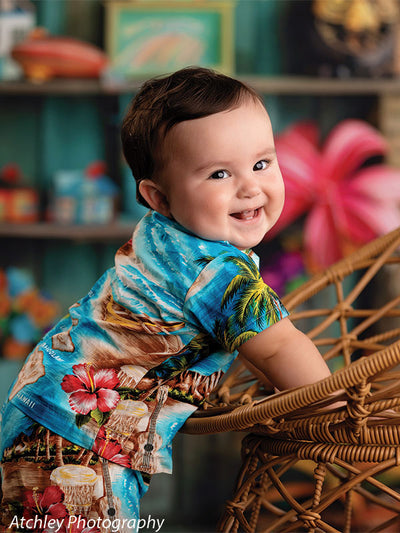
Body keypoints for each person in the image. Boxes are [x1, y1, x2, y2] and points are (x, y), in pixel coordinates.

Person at [0, 67, 331, 532]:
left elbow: (246, 344)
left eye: (261, 163)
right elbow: (277, 347)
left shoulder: (163, 234)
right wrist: (333, 410)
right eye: (219, 173)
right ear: (160, 197)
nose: (250, 187)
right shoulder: (215, 271)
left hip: (41, 406)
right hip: (81, 442)